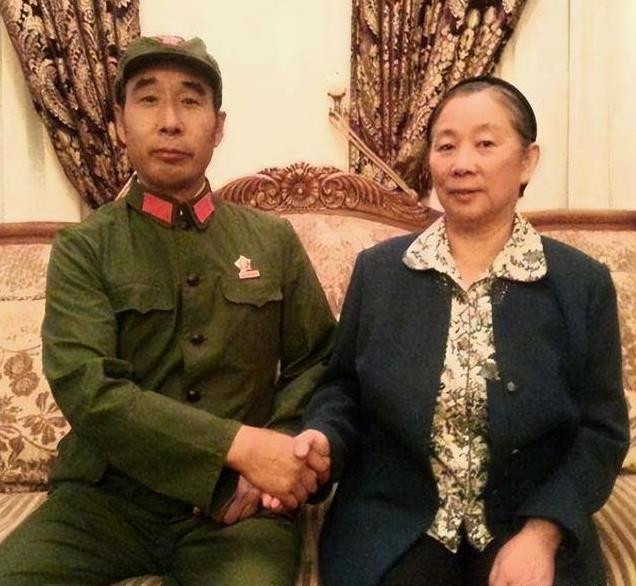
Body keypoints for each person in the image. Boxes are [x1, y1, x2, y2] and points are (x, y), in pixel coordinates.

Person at [0, 35, 335, 586]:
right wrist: (239, 447)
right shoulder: (85, 248)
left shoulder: (272, 241)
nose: (171, 122)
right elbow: (89, 388)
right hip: (105, 502)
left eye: (191, 100)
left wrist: (274, 460)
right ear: (119, 122)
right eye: (149, 99)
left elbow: (318, 362)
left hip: (240, 512)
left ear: (218, 126)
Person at [295, 77, 629, 586]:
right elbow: (342, 389)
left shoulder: (580, 284)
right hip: (397, 519)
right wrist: (323, 438)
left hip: (528, 518)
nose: (462, 164)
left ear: (528, 161)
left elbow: (601, 430)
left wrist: (543, 534)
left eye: (485, 143)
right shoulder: (380, 272)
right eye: (446, 146)